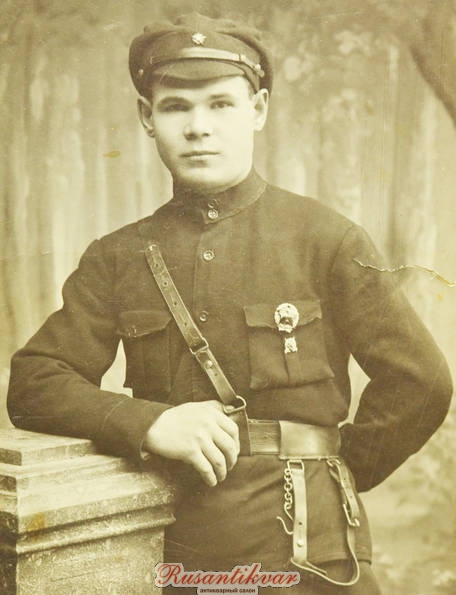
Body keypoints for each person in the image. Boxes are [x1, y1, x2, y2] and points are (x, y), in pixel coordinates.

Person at [7, 12, 452, 594]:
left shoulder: (326, 239)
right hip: (173, 543)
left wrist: (335, 471)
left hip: (309, 547)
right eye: (176, 107)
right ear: (147, 117)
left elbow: (421, 381)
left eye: (220, 104)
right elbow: (35, 383)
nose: (199, 128)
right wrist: (150, 423)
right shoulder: (117, 257)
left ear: (258, 110)